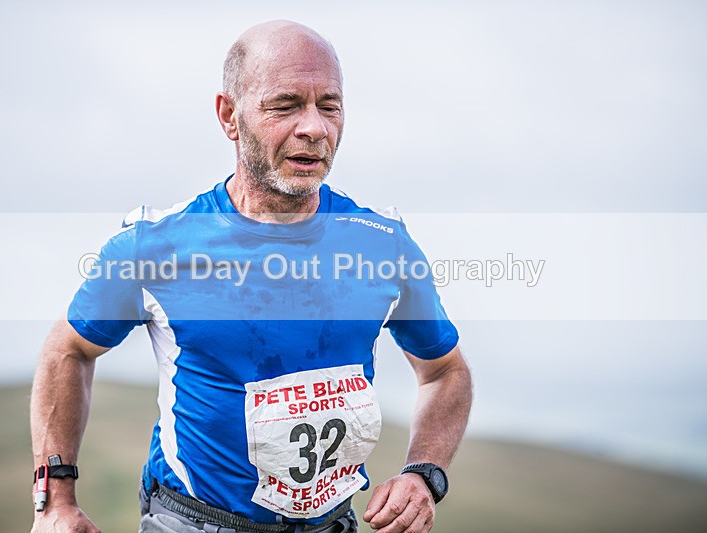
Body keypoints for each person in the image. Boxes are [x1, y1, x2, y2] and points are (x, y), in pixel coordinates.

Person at [30, 20, 472, 533]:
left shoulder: (382, 244)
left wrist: (425, 473)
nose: (314, 127)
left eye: (329, 105)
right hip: (194, 521)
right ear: (229, 116)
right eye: (285, 105)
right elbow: (67, 350)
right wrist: (54, 501)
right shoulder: (156, 246)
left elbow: (446, 373)